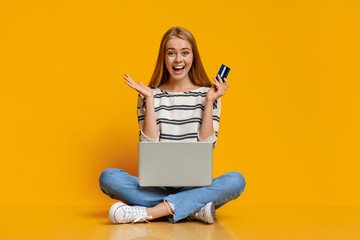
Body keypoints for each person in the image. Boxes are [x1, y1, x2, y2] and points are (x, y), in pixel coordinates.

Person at [99, 26, 246, 224]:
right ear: (164, 57)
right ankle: (193, 209)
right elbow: (149, 148)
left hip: (195, 186)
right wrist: (150, 99)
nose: (178, 60)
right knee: (108, 177)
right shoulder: (148, 94)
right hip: (157, 186)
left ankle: (150, 212)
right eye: (171, 53)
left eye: (185, 53)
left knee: (236, 181)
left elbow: (207, 147)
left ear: (193, 57)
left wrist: (209, 101)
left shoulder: (208, 95)